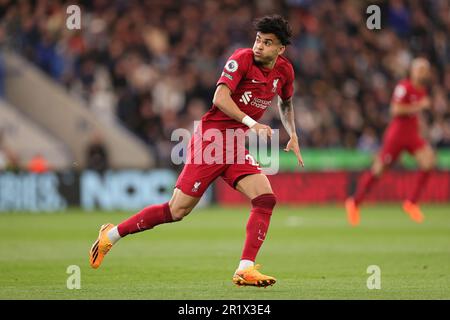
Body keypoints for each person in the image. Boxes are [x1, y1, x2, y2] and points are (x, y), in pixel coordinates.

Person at [89, 15, 304, 288]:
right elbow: (220, 98)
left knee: (265, 198)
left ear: (281, 49)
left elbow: (286, 103)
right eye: (258, 40)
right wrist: (252, 123)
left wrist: (293, 134)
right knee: (177, 211)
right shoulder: (242, 59)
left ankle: (245, 268)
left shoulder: (285, 71)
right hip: (211, 141)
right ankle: (112, 235)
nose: (259, 46)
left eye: (268, 43)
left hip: (235, 145)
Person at [345, 58, 435, 226]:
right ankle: (354, 202)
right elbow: (395, 109)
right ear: (413, 71)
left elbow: (415, 114)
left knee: (428, 160)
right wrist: (419, 106)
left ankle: (411, 202)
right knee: (379, 170)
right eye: (421, 69)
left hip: (412, 135)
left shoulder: (422, 89)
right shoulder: (404, 87)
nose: (424, 72)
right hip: (397, 136)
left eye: (425, 69)